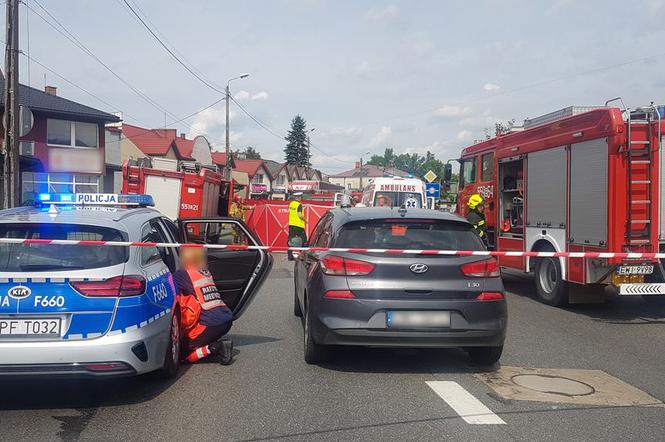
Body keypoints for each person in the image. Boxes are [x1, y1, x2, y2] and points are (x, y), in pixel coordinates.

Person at [174, 247, 234, 365]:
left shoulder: (182, 274)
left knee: (181, 354)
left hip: (211, 323)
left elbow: (168, 286)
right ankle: (208, 343)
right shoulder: (204, 271)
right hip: (226, 317)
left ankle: (216, 347)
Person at [288, 192, 307, 260]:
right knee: (303, 240)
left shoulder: (291, 204)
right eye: (301, 197)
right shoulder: (299, 205)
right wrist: (305, 220)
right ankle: (303, 256)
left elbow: (289, 212)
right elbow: (300, 215)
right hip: (299, 225)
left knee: (290, 240)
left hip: (291, 224)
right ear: (299, 197)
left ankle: (290, 256)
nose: (301, 198)